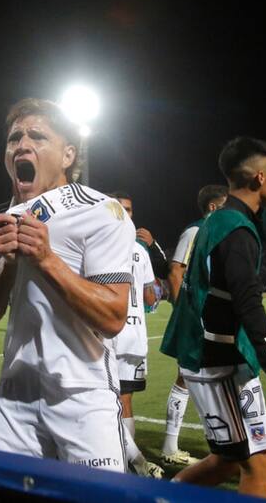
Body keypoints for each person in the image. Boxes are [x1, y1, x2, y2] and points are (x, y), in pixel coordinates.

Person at [0, 98, 134, 471]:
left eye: (38, 136)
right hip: (14, 399)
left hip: (83, 397)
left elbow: (112, 317)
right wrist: (7, 266)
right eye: (14, 139)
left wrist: (46, 259)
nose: (22, 145)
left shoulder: (101, 211)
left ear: (68, 155)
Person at [161, 137, 266, 498]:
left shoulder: (225, 220)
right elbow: (249, 308)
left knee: (237, 460)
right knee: (254, 462)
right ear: (259, 178)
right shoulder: (236, 230)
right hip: (214, 361)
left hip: (226, 359)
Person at [161, 184, 227, 466]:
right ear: (213, 207)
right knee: (187, 375)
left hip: (214, 315)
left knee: (212, 376)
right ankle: (169, 446)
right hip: (196, 316)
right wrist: (184, 312)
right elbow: (176, 270)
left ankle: (219, 441)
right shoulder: (196, 230)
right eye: (226, 205)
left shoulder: (220, 231)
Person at [109, 192, 162, 478]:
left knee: (111, 401)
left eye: (128, 209)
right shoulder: (140, 251)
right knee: (124, 401)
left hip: (109, 334)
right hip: (133, 336)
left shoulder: (97, 242)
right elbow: (151, 296)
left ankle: (129, 460)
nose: (126, 214)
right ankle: (133, 462)